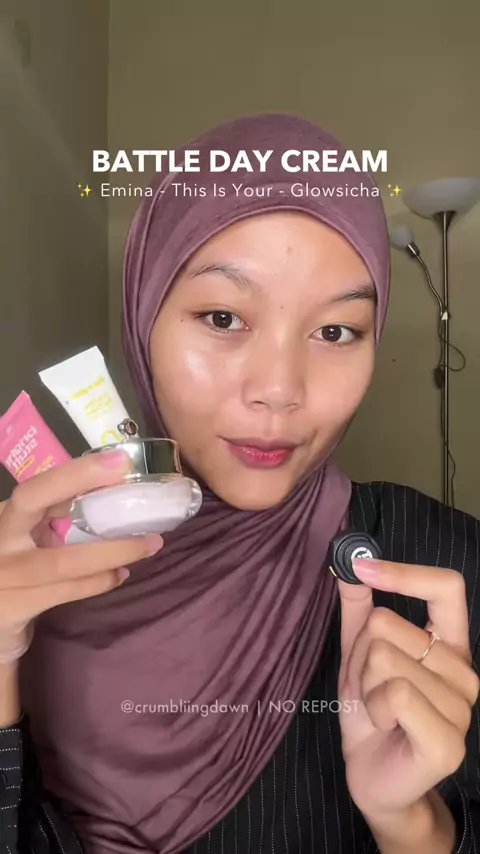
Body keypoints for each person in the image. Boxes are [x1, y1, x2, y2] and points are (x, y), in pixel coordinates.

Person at [0, 113, 479, 854]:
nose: (280, 390)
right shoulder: (35, 568)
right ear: (143, 318)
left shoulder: (436, 570)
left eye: (335, 331)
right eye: (223, 317)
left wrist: (412, 825)